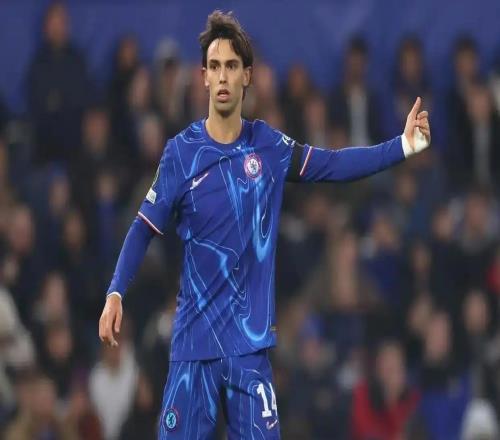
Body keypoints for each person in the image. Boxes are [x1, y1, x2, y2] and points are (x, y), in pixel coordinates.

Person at [98, 10, 431, 439]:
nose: (222, 76)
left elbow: (333, 165)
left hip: (248, 348)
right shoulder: (181, 153)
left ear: (247, 76)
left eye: (231, 65)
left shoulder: (268, 147)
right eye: (214, 66)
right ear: (203, 77)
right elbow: (144, 227)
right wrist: (115, 291)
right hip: (194, 346)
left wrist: (401, 146)